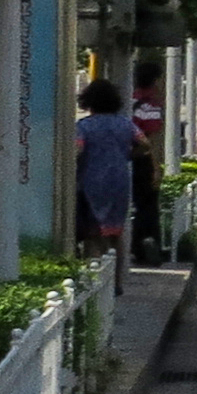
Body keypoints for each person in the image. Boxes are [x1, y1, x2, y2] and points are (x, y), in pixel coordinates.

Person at [74, 78, 143, 288]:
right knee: (114, 234)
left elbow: (77, 150)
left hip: (91, 182)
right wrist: (127, 155)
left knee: (93, 234)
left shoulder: (84, 126)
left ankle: (96, 285)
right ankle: (116, 282)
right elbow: (145, 145)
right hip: (119, 181)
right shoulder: (125, 124)